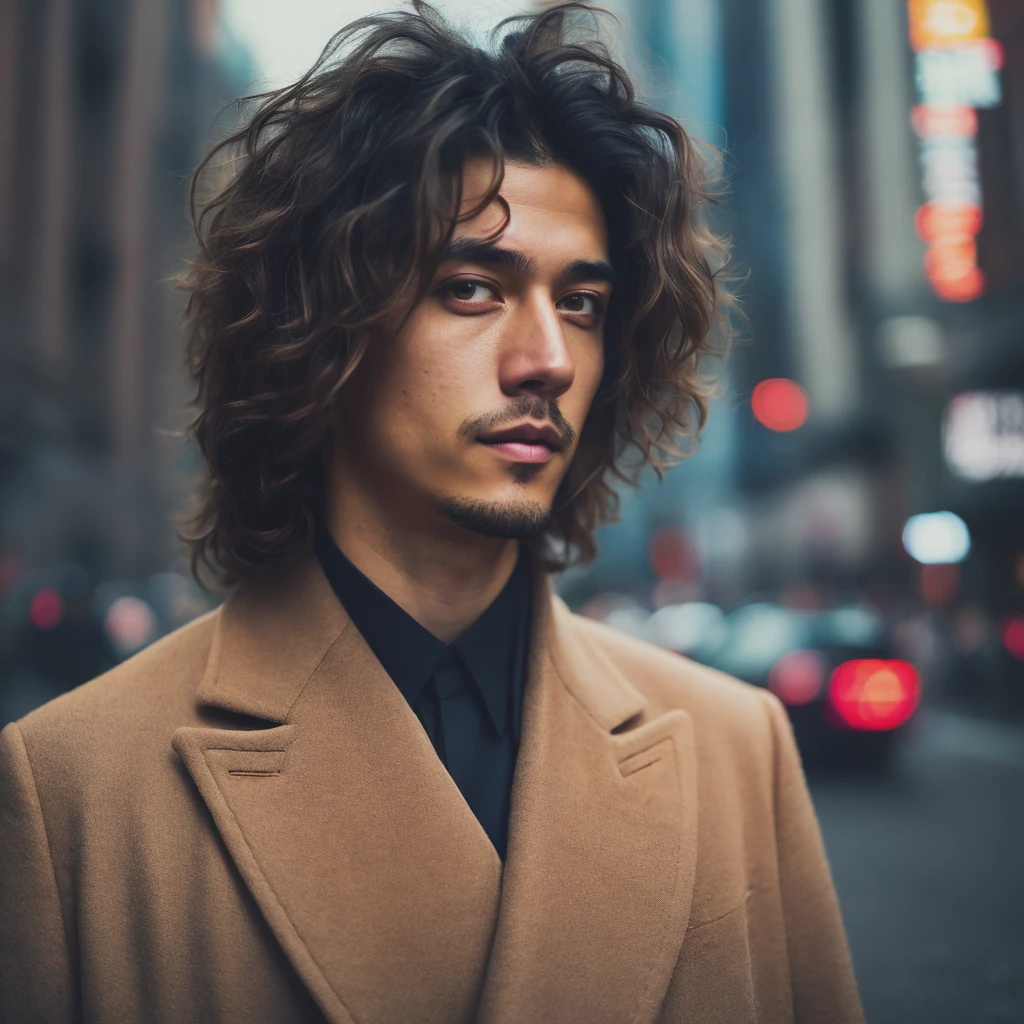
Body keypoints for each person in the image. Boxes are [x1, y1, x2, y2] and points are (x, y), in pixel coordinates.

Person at [0, 3, 864, 1022]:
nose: (546, 357)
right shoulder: (75, 791)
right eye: (470, 286)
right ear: (323, 324)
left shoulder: (736, 747)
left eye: (581, 302)